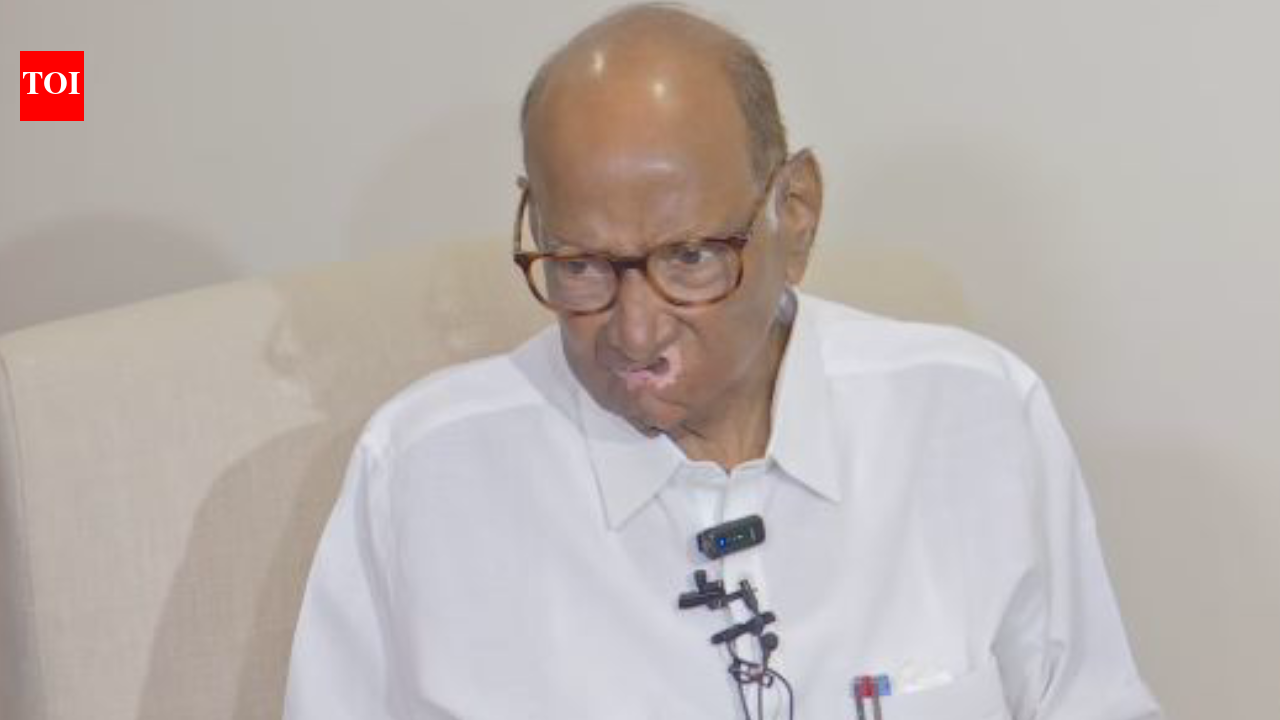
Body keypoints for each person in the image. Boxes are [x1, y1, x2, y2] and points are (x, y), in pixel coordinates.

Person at [283, 5, 1163, 719]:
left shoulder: (972, 414)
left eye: (691, 258)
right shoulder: (426, 474)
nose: (635, 333)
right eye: (580, 266)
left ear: (797, 214)